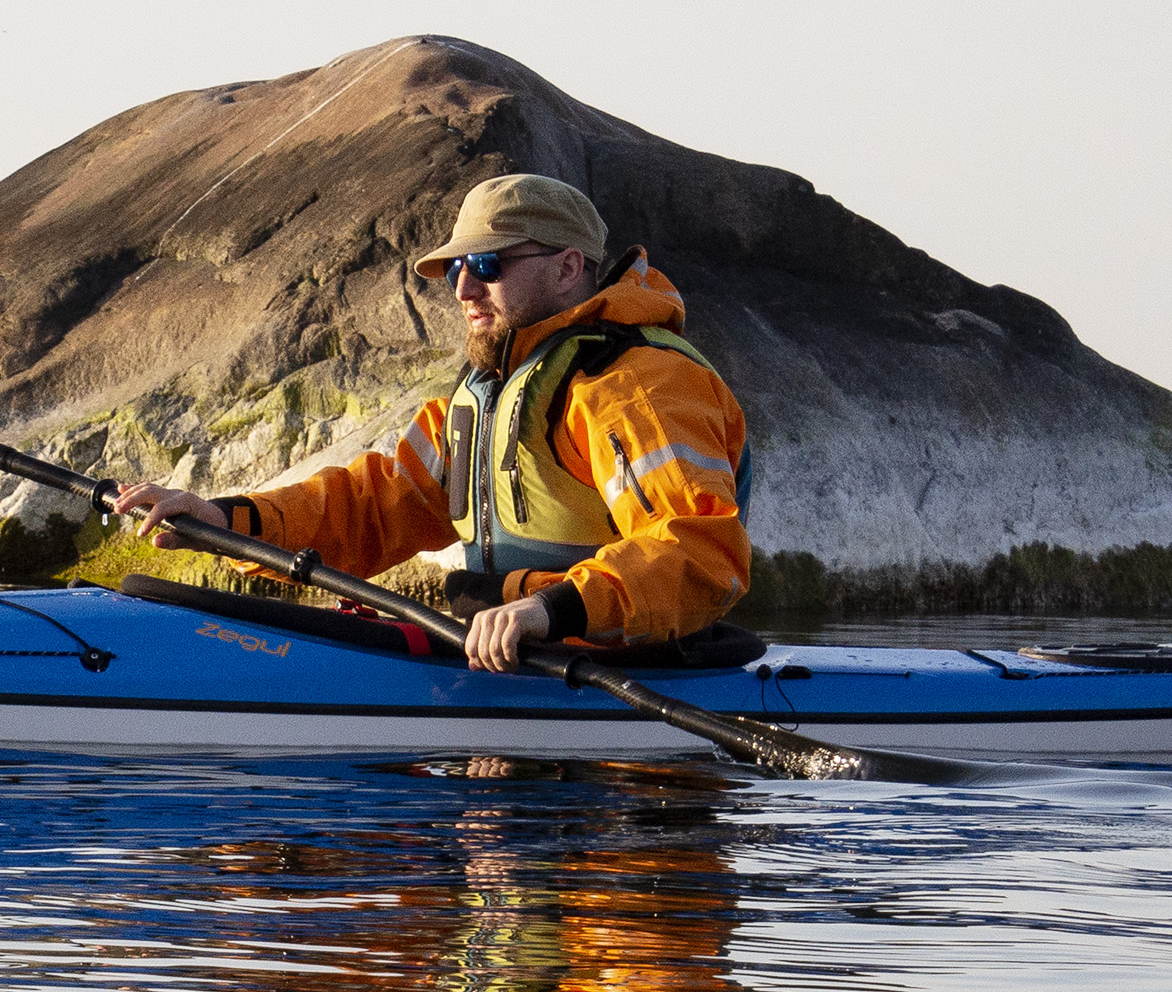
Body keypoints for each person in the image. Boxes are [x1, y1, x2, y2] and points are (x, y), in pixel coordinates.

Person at [109, 174, 750, 672]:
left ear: (567, 267)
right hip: (500, 656)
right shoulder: (482, 396)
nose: (463, 288)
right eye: (455, 269)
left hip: (607, 667)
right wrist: (228, 519)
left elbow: (699, 550)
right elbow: (373, 505)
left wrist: (550, 609)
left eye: (490, 264)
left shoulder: (634, 385)